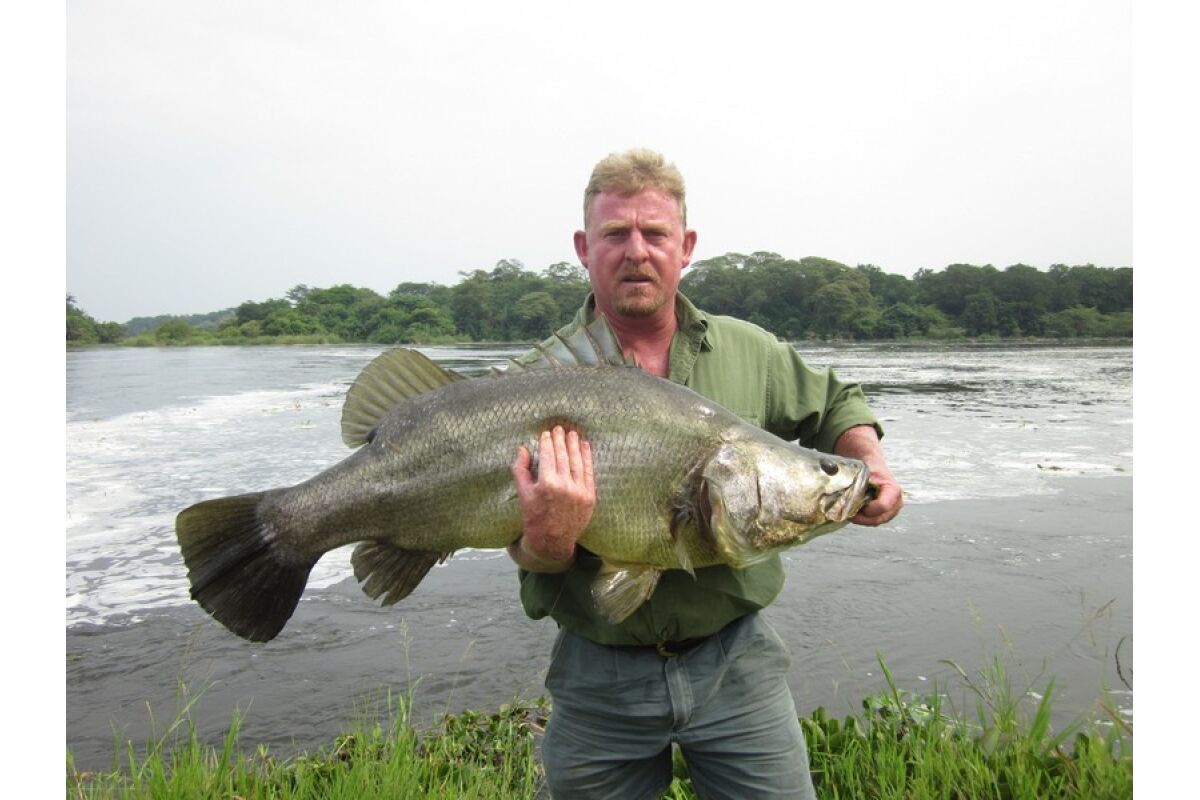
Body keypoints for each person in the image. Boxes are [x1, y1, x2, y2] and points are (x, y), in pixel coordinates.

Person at [507, 149, 903, 800]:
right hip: (596, 674)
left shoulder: (752, 351)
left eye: (655, 233)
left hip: (738, 665)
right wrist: (546, 545)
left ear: (685, 247)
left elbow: (837, 404)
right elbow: (525, 553)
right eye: (616, 233)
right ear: (584, 247)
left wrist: (868, 459)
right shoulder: (534, 384)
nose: (637, 251)